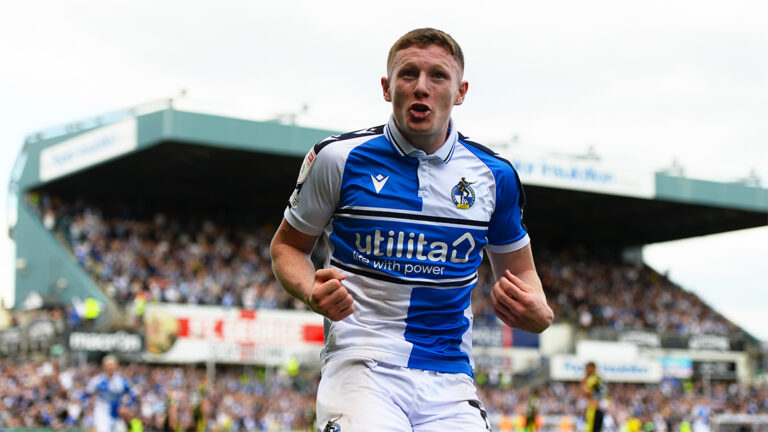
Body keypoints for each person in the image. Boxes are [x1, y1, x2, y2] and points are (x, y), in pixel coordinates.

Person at [270, 27, 553, 431]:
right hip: (362, 361)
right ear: (387, 88)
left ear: (460, 91)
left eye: (438, 76)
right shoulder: (337, 159)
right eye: (408, 74)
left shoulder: (494, 176)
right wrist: (309, 289)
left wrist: (540, 312)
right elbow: (287, 247)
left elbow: (521, 271)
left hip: (450, 376)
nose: (422, 87)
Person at [84, 354, 137, 432]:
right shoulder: (97, 380)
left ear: (116, 366)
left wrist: (126, 406)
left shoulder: (122, 381)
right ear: (103, 366)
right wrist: (88, 409)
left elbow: (133, 395)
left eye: (112, 365)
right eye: (108, 365)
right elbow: (86, 394)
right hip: (102, 411)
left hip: (116, 413)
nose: (110, 367)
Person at [582, 361, 606, 432]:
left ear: (592, 368)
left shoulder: (592, 378)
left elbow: (586, 392)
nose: (586, 371)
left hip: (593, 409)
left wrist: (585, 378)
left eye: (587, 368)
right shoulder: (599, 377)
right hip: (599, 408)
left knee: (590, 429)